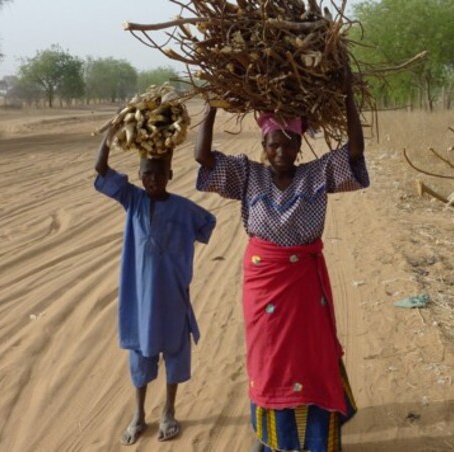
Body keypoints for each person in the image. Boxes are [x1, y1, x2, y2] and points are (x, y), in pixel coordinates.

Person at [194, 66, 367, 452]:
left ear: (300, 147)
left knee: (312, 357)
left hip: (304, 285)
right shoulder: (246, 174)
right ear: (263, 144)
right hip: (263, 282)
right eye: (274, 144)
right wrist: (211, 107)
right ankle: (272, 437)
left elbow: (355, 152)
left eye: (290, 145)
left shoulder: (316, 174)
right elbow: (203, 157)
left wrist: (348, 97)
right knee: (269, 360)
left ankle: (320, 438)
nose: (282, 152)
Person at [94, 131, 216, 445]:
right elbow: (101, 170)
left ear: (170, 175)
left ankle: (169, 411)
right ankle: (139, 414)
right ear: (138, 175)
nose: (153, 179)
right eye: (147, 173)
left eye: (159, 174)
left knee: (174, 351)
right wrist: (108, 137)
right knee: (140, 353)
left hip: (173, 294)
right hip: (139, 296)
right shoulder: (132, 200)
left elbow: (207, 224)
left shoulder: (185, 209)